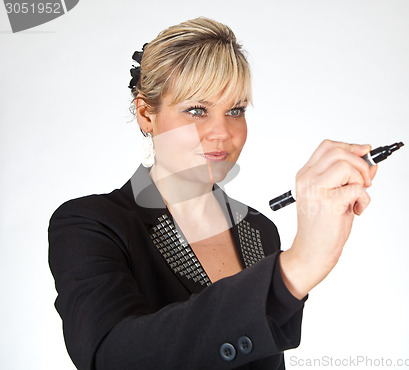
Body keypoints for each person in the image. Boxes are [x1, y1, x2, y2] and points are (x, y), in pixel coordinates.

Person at [48, 17, 377, 370]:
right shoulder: (90, 225)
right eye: (196, 110)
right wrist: (297, 266)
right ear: (146, 114)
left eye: (235, 110)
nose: (221, 132)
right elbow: (112, 356)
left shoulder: (260, 231)